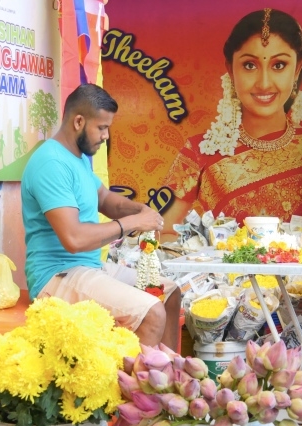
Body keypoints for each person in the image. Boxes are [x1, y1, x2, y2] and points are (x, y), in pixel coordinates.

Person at [22, 83, 182, 348]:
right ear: (79, 122)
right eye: (102, 127)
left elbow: (105, 199)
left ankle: (167, 367)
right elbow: (74, 238)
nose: (106, 135)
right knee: (152, 312)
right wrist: (131, 223)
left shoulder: (77, 158)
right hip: (56, 277)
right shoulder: (51, 163)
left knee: (170, 294)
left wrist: (140, 210)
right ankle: (141, 374)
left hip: (88, 268)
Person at [160, 8, 302, 235]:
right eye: (250, 65)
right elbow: (162, 232)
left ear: (297, 68)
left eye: (279, 65)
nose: (264, 83)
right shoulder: (200, 154)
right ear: (230, 69)